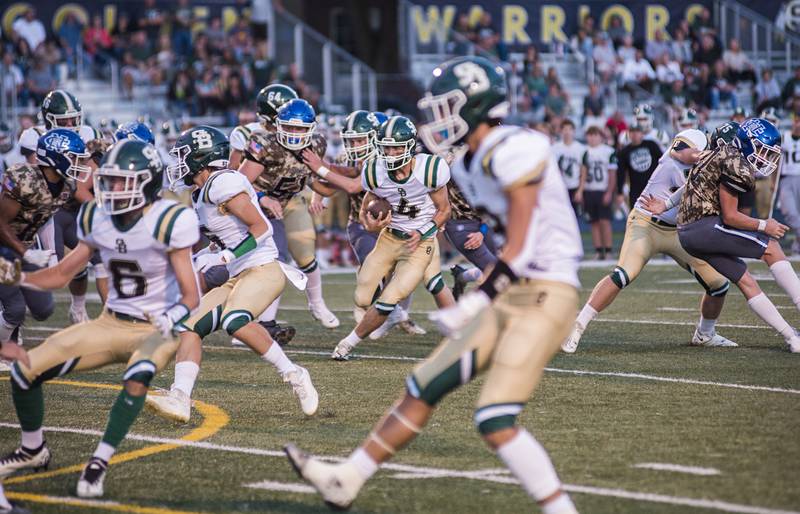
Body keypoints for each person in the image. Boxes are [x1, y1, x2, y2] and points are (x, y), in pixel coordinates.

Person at [285, 55, 582, 514]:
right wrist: (370, 202)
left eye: (448, 107)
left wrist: (476, 298)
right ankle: (348, 477)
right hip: (516, 288)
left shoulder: (516, 147)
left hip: (547, 289)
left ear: (477, 103)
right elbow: (367, 186)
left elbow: (522, 247)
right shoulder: (468, 161)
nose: (438, 118)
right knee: (422, 386)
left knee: (494, 417)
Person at [0, 139, 201, 497]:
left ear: (149, 182)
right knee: (24, 370)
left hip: (155, 328)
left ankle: (99, 462)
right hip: (109, 323)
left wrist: (173, 317)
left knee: (137, 376)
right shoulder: (95, 216)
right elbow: (63, 274)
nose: (112, 189)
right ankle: (33, 448)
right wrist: (20, 278)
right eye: (109, 180)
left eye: (124, 181)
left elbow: (191, 294)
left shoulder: (171, 219)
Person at [145, 126, 318, 423]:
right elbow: (224, 236)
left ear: (202, 157)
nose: (180, 163)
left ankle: (294, 374)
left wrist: (223, 257)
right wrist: (204, 256)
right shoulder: (202, 192)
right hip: (238, 273)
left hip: (263, 268)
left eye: (185, 156)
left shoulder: (220, 183)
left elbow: (261, 228)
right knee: (188, 326)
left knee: (235, 321)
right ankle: (180, 397)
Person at [563, 129, 735, 353]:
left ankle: (705, 334)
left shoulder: (714, 168)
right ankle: (578, 326)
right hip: (646, 223)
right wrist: (698, 156)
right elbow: (677, 150)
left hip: (677, 232)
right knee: (623, 275)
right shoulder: (688, 144)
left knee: (719, 283)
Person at [645, 118, 800, 352]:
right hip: (705, 227)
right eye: (762, 150)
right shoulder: (734, 163)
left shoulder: (714, 155)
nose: (766, 158)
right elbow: (730, 217)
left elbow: (690, 185)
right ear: (746, 144)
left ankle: (792, 337)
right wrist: (762, 225)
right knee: (771, 247)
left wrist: (665, 204)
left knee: (746, 281)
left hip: (688, 233)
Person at [318, 116, 454, 360]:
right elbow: (368, 199)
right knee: (362, 298)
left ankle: (347, 345)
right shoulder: (374, 171)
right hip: (389, 238)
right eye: (386, 146)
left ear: (410, 146)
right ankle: (383, 319)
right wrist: (368, 220)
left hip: (420, 243)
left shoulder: (429, 170)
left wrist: (424, 231)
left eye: (396, 147)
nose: (390, 153)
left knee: (392, 296)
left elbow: (445, 210)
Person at [238, 98, 341, 329]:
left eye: (300, 129)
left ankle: (317, 304)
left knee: (306, 253)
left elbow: (314, 176)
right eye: (290, 127)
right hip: (258, 205)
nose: (294, 134)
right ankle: (263, 322)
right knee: (274, 261)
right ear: (278, 125)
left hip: (292, 200)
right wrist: (263, 198)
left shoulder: (317, 144)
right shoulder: (264, 143)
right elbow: (239, 183)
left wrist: (318, 196)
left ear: (311, 129)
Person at [576, 125, 617, 259]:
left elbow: (612, 174)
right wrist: (581, 191)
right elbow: (582, 173)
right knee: (593, 222)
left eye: (595, 135)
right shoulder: (584, 152)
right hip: (589, 190)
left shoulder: (608, 151)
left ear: (600, 136)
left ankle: (609, 251)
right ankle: (598, 251)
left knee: (605, 221)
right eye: (590, 135)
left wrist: (609, 192)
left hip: (602, 189)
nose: (592, 138)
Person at [616, 125, 663, 209]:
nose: (634, 134)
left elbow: (663, 163)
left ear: (642, 133)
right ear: (629, 134)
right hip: (636, 190)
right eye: (632, 131)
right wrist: (620, 192)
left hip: (654, 187)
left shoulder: (651, 145)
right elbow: (621, 173)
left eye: (637, 131)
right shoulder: (624, 152)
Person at [552, 119, 585, 214]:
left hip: (574, 187)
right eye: (565, 129)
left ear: (574, 131)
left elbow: (583, 171)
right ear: (561, 131)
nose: (567, 132)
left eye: (569, 129)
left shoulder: (580, 149)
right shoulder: (555, 148)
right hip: (560, 187)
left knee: (575, 218)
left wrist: (580, 190)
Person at [779, 115, 800, 253]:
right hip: (786, 178)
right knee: (790, 212)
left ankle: (797, 243)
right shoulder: (784, 137)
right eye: (797, 121)